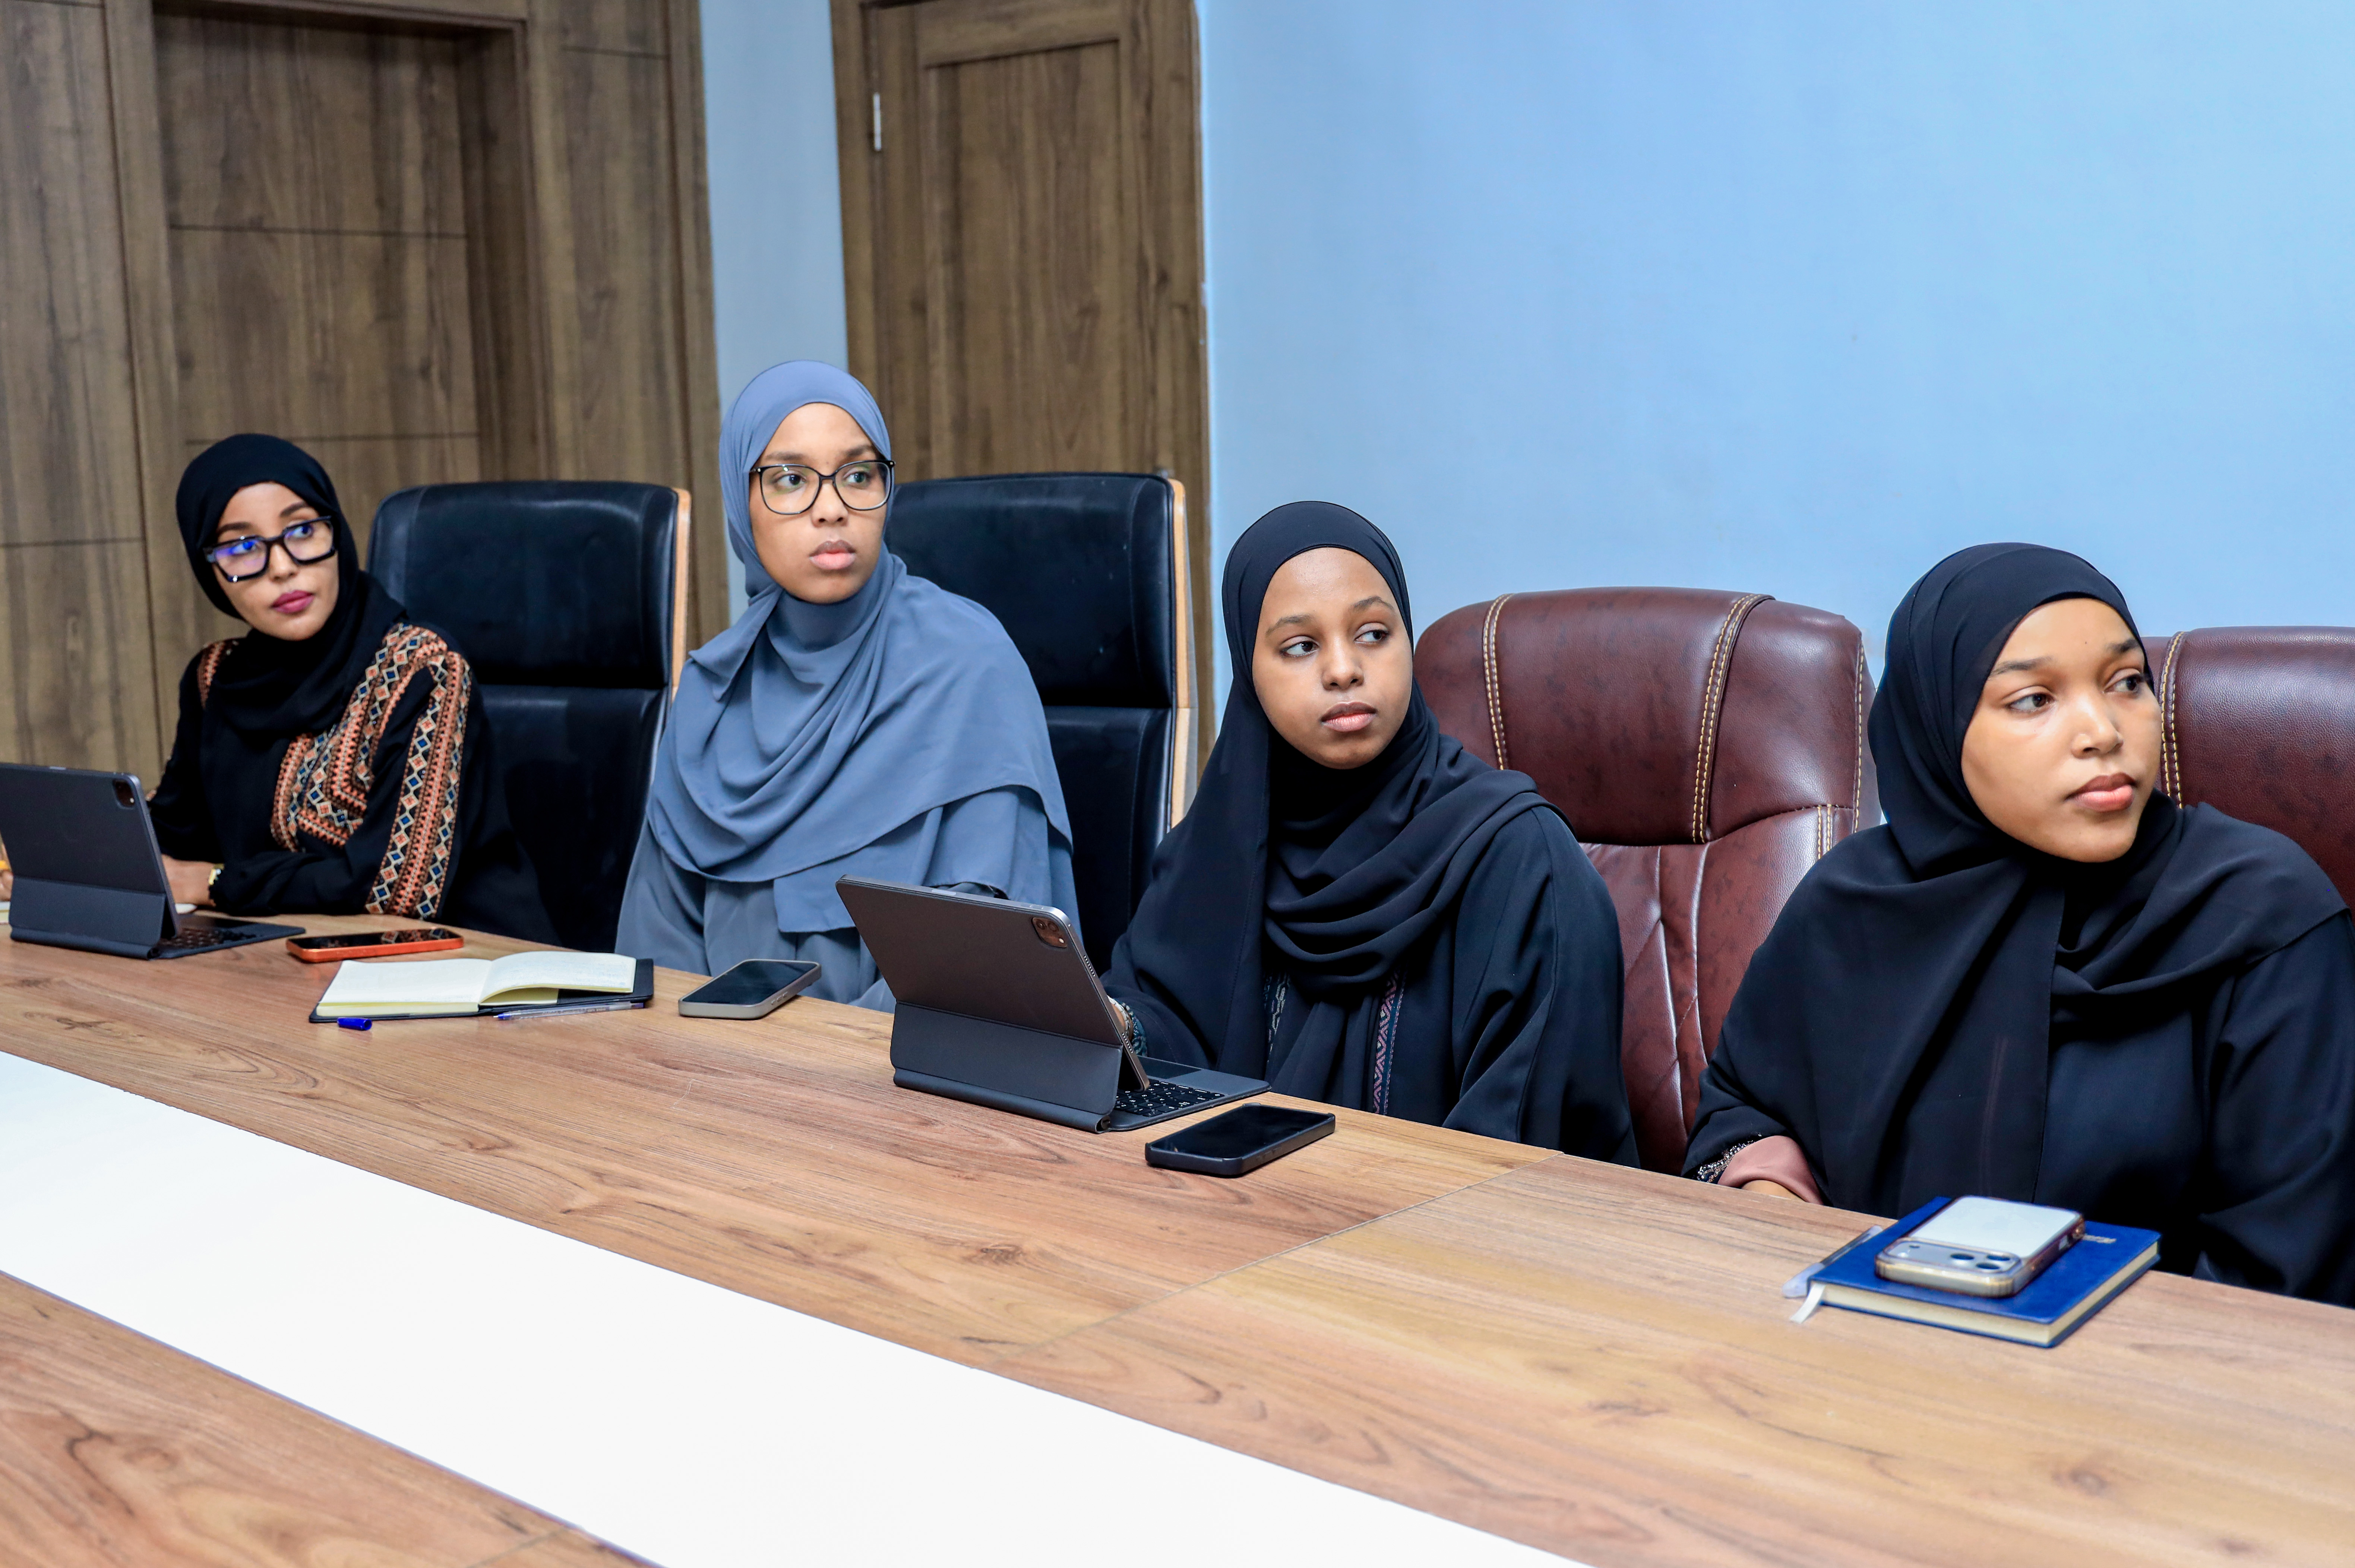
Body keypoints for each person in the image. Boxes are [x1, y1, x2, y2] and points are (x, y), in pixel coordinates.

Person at [1685, 543, 2355, 1302]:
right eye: (2034, 700)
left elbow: (2287, 1270)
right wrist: (1777, 1214)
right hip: (1848, 1343)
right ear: (1937, 728)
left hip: (2154, 1368)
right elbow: (1744, 1111)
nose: (2102, 732)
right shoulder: (1855, 903)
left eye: (2127, 683)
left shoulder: (2262, 917)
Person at [1103, 502, 1635, 1158]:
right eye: (1301, 647)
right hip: (1226, 1208)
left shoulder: (1521, 862)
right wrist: (1114, 1025)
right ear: (1249, 673)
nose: (1343, 670)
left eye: (1374, 634)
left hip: (1445, 1214)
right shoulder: (1216, 851)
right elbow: (1169, 1023)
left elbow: (1522, 1143)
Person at [616, 362, 1076, 1008]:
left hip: (907, 1058)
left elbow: (982, 953)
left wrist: (817, 1058)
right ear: (740, 504)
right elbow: (657, 952)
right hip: (713, 1058)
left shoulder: (971, 666)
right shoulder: (710, 696)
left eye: (859, 476)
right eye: (790, 479)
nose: (831, 509)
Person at [148, 435, 550, 938]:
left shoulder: (421, 668)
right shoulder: (216, 680)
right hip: (294, 956)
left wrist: (215, 883)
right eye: (243, 547)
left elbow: (397, 889)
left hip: (467, 959)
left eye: (302, 531)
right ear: (209, 569)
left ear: (335, 530)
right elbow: (171, 837)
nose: (283, 567)